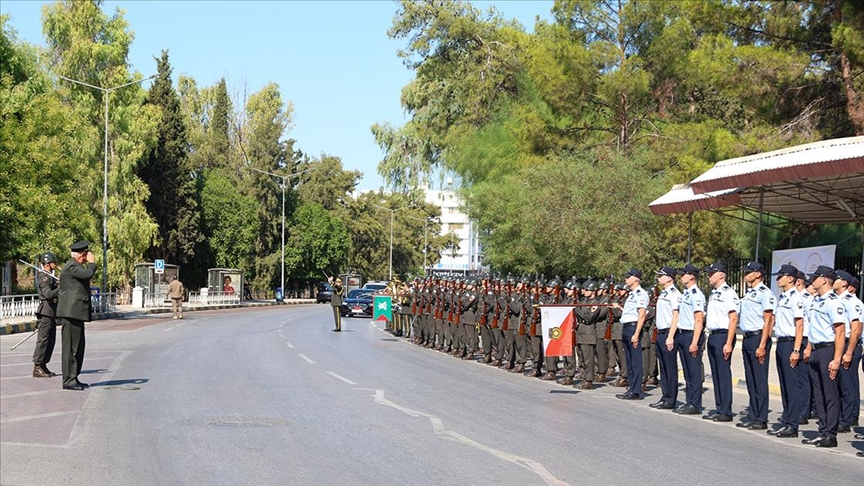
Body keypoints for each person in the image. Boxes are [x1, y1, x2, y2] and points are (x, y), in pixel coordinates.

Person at [802, 266, 847, 448]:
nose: (812, 280)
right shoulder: (816, 301)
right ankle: (822, 431)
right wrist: (808, 347)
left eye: (815, 278)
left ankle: (831, 434)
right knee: (819, 395)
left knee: (830, 394)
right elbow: (814, 328)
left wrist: (836, 359)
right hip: (816, 350)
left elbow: (840, 332)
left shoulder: (833, 302)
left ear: (824, 280)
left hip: (829, 350)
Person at [736, 261, 774, 431]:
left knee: (759, 380)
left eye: (749, 272)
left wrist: (762, 344)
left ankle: (761, 417)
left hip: (759, 337)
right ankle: (753, 414)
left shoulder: (765, 293)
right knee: (750, 380)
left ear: (758, 274)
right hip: (748, 337)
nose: (745, 275)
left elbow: (768, 321)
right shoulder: (750, 293)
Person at [769, 264, 805, 438]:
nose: (778, 279)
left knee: (792, 386)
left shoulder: (796, 298)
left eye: (781, 276)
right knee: (784, 384)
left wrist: (797, 349)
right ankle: (786, 420)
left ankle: (793, 425)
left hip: (791, 343)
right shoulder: (783, 297)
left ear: (790, 278)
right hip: (781, 343)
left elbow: (800, 326)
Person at [56, 240, 96, 391]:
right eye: (86, 254)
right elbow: (88, 274)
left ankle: (74, 377)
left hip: (76, 313)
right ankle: (68, 380)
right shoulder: (73, 266)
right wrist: (92, 263)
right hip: (71, 313)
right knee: (70, 348)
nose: (88, 257)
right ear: (81, 254)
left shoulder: (75, 266)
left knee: (78, 347)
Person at [702, 261, 739, 423]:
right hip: (713, 334)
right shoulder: (714, 293)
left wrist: (729, 342)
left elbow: (733, 319)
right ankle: (719, 407)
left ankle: (726, 410)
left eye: (712, 273)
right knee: (716, 374)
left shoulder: (728, 293)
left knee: (723, 374)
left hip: (723, 335)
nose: (709, 276)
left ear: (721, 274)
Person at [832, 270, 862, 434]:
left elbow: (856, 329)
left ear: (844, 283)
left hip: (849, 345)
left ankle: (847, 418)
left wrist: (849, 352)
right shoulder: (837, 300)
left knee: (847, 384)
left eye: (836, 279)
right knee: (839, 383)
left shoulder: (851, 302)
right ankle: (843, 416)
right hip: (839, 344)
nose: (833, 282)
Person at [674, 264, 705, 415]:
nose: (681, 277)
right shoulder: (686, 293)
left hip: (691, 334)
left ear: (692, 276)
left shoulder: (696, 294)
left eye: (683, 274)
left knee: (694, 371)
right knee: (687, 371)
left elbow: (698, 320)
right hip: (682, 333)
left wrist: (694, 342)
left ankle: (695, 404)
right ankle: (689, 401)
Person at [614, 268, 648, 400]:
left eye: (628, 277)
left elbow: (641, 315)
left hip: (634, 328)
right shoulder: (632, 294)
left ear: (636, 279)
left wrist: (636, 333)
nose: (625, 279)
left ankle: (636, 390)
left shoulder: (641, 294)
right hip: (627, 327)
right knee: (629, 360)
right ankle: (632, 388)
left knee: (635, 361)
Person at [651, 266, 681, 410]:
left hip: (669, 332)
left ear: (669, 277)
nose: (658, 278)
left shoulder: (674, 294)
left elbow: (676, 315)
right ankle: (665, 395)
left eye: (661, 276)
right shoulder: (664, 293)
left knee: (670, 367)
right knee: (663, 367)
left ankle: (671, 398)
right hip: (661, 332)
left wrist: (670, 336)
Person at [33, 252, 60, 378]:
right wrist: (60, 288)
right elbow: (48, 294)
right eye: (54, 262)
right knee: (43, 340)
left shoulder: (50, 276)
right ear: (48, 264)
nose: (56, 264)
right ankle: (37, 366)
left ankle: (43, 364)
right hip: (46, 312)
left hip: (52, 312)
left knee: (51, 341)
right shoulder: (43, 277)